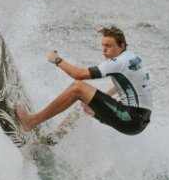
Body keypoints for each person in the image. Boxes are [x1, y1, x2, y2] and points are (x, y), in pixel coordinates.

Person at [16, 26, 152, 137]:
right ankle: (52, 141)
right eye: (103, 45)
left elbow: (78, 75)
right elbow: (132, 83)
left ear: (121, 46)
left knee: (77, 88)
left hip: (129, 118)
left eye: (109, 46)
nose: (104, 50)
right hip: (139, 120)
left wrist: (56, 60)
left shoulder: (118, 62)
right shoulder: (132, 57)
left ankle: (32, 121)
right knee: (84, 105)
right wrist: (104, 98)